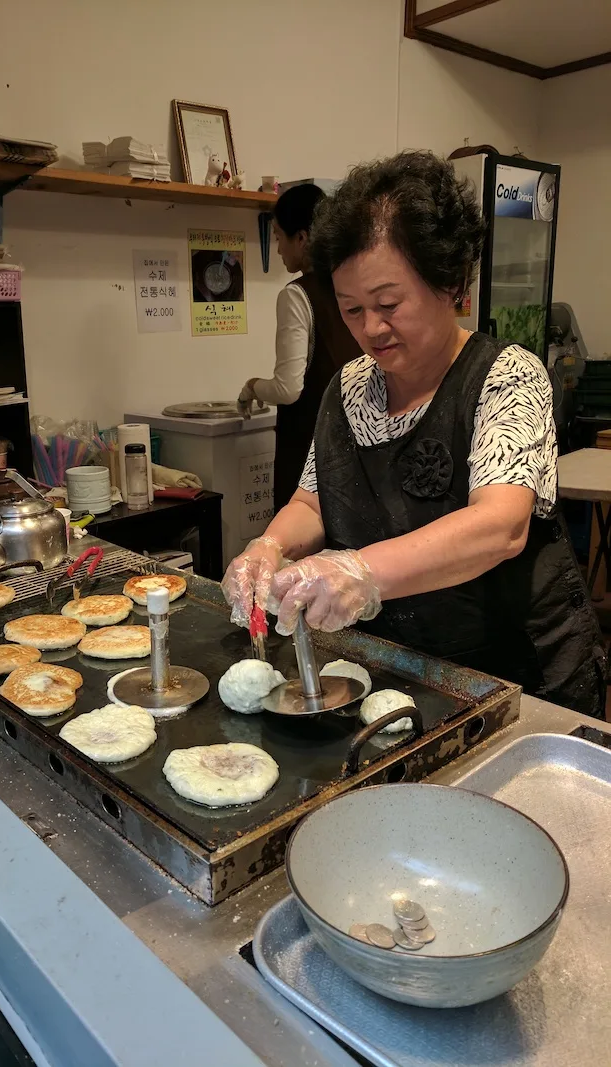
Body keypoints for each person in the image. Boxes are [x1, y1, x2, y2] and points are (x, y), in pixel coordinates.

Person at [224, 151, 605, 718]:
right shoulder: (348, 389)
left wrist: (360, 571)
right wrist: (269, 546)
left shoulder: (507, 375)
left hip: (517, 679)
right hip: (401, 671)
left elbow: (500, 525)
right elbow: (314, 499)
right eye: (351, 309)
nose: (370, 329)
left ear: (450, 282)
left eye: (388, 303)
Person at [237, 184, 361, 512]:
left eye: (279, 237)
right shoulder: (352, 287)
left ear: (302, 238)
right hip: (359, 444)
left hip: (311, 447)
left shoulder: (296, 294)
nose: (278, 249)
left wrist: (252, 387)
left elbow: (288, 388)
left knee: (298, 549)